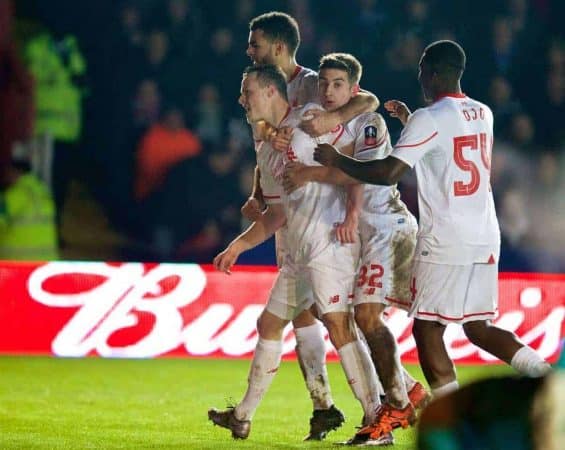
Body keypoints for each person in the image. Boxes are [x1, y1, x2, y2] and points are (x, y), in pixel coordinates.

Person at [313, 40, 551, 442]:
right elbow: (444, 151)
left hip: (446, 238)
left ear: (435, 72)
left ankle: (459, 424)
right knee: (477, 327)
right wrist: (412, 124)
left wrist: (337, 159)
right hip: (483, 233)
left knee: (427, 330)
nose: (419, 75)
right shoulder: (483, 112)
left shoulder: (430, 117)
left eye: (423, 68)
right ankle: (547, 380)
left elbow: (388, 173)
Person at [208, 64, 380, 442]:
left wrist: (351, 213)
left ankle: (375, 416)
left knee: (338, 324)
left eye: (247, 91)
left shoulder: (312, 119)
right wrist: (238, 245)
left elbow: (354, 164)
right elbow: (278, 216)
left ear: (271, 92)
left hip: (328, 244)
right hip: (298, 254)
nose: (241, 99)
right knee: (269, 324)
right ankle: (243, 416)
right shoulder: (269, 151)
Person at [282, 52, 430, 445]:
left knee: (364, 317)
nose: (329, 91)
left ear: (354, 89)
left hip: (384, 227)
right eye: (325, 83)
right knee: (328, 310)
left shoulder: (369, 122)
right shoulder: (320, 119)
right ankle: (407, 388)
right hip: (358, 236)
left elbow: (364, 175)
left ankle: (394, 409)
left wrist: (337, 200)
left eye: (338, 85)